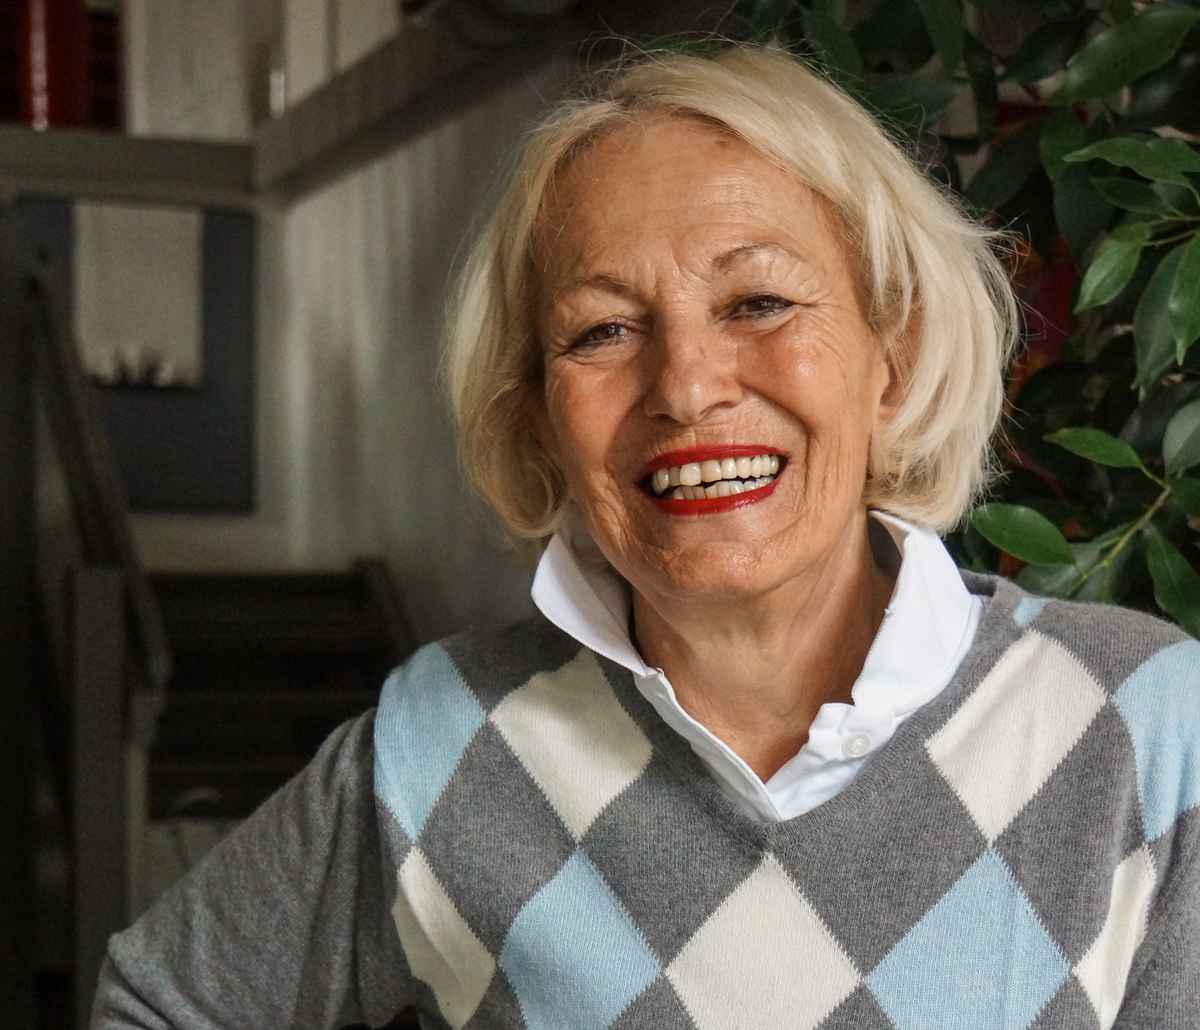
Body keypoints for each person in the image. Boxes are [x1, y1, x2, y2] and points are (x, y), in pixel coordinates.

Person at [92, 43, 1200, 1030]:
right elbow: (158, 1002)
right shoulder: (438, 747)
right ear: (536, 413)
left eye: (758, 303)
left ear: (893, 355)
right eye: (603, 331)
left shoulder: (1147, 729)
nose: (686, 386)